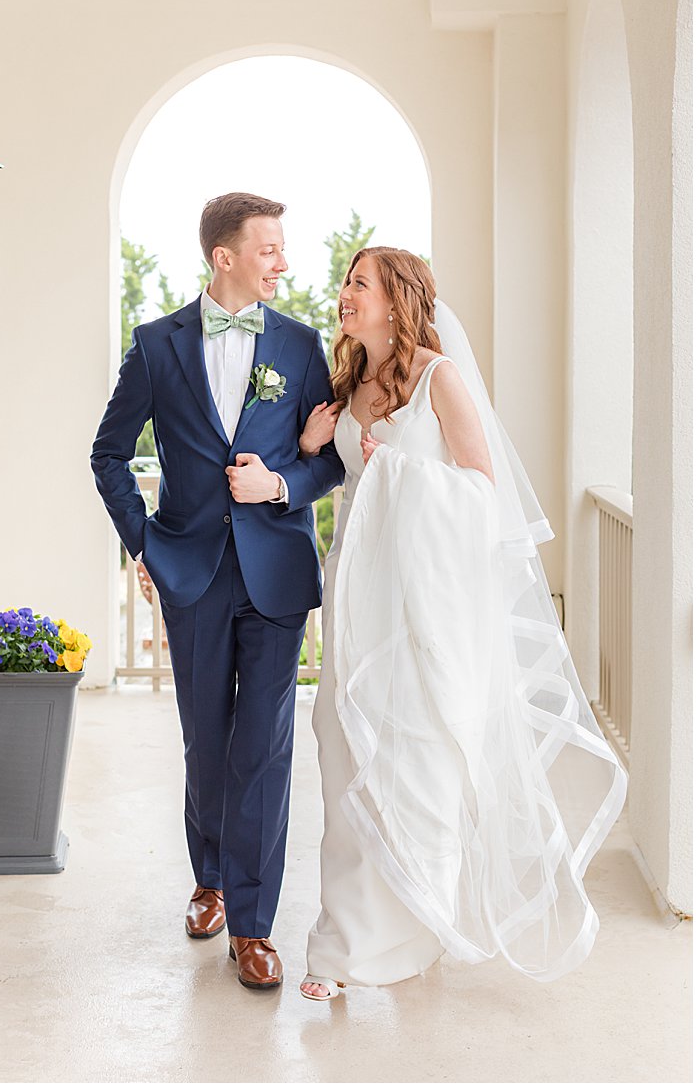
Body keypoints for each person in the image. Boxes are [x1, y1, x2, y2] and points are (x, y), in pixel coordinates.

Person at [296, 247, 627, 1001]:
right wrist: (321, 445)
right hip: (357, 590)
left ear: (397, 299)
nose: (344, 294)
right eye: (345, 282)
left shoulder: (441, 379)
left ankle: (420, 922)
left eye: (360, 284)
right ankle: (344, 943)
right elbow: (347, 475)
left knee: (417, 752)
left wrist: (398, 471)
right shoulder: (348, 384)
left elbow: (483, 492)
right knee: (345, 748)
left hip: (425, 602)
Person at [91, 193, 345, 992]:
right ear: (224, 257)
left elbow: (329, 462)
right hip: (190, 573)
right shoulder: (155, 346)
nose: (283, 262)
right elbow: (107, 453)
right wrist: (145, 542)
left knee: (264, 747)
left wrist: (280, 483)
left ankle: (254, 925)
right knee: (206, 738)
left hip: (276, 573)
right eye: (269, 249)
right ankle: (209, 877)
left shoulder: (304, 348)